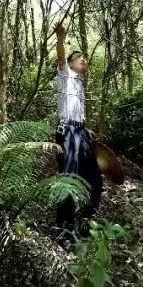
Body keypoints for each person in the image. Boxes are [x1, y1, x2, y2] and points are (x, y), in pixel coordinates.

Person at [52, 22, 102, 244]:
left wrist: (84, 127)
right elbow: (61, 57)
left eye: (85, 59)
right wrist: (61, 39)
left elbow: (75, 110)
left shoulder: (80, 83)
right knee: (69, 180)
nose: (83, 60)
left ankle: (84, 223)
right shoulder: (65, 74)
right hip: (67, 132)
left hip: (80, 133)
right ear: (71, 63)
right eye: (79, 58)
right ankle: (63, 231)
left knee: (95, 180)